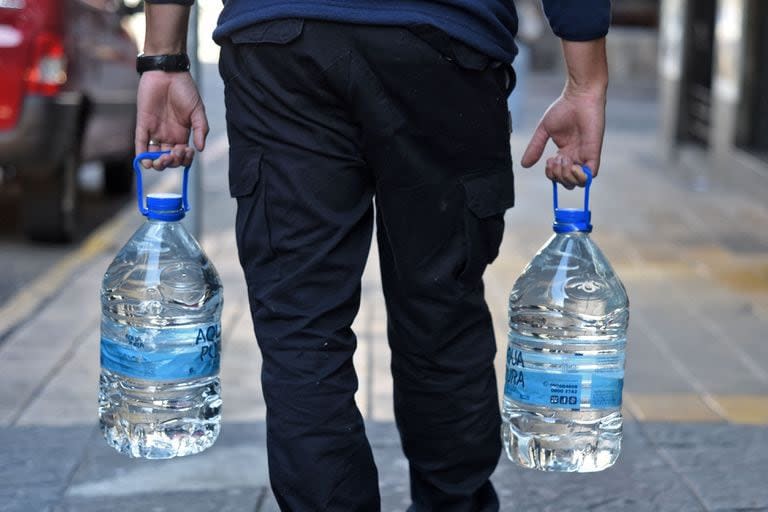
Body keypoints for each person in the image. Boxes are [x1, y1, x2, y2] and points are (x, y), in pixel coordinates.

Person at [136, 1, 610, 510]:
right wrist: (585, 79)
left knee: (301, 328)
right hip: (445, 44)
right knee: (441, 318)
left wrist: (163, 57)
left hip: (280, 48)